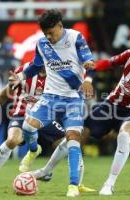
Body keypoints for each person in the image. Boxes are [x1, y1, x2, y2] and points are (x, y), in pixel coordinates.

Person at [29, 40, 130, 196]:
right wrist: (90, 75)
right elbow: (107, 63)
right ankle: (46, 171)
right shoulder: (129, 55)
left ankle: (110, 183)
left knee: (124, 135)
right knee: (76, 134)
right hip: (111, 104)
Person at [9, 9, 94, 197]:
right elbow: (35, 66)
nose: (49, 36)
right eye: (45, 33)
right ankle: (33, 151)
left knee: (73, 139)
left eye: (51, 32)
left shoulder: (76, 38)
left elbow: (90, 64)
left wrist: (88, 80)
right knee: (28, 127)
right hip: (50, 98)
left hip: (73, 98)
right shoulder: (42, 44)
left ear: (60, 26)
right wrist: (21, 77)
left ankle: (73, 186)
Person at [0, 63, 94, 193]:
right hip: (21, 114)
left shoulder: (59, 74)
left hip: (45, 116)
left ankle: (51, 173)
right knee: (12, 140)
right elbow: (6, 93)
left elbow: (86, 74)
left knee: (72, 139)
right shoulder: (24, 71)